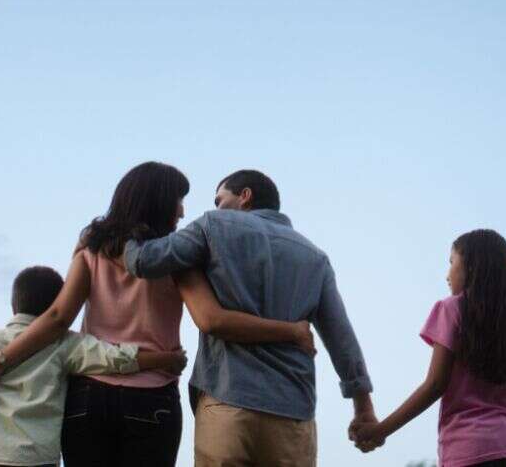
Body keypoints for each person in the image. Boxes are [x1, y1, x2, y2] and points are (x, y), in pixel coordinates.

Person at [0, 162, 313, 467]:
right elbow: (210, 318)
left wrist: (0, 361)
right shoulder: (180, 258)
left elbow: (56, 319)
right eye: (178, 200)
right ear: (159, 203)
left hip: (87, 397)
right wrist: (290, 330)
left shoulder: (92, 248)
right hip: (151, 397)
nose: (182, 211)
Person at [124, 169, 375, 467]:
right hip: (293, 411)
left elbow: (144, 261)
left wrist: (124, 230)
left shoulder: (213, 225)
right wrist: (363, 407)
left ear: (245, 196)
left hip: (228, 400)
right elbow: (341, 338)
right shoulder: (315, 257)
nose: (216, 207)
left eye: (220, 199)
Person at [0, 265, 187, 467]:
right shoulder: (64, 343)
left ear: (13, 306)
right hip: (36, 458)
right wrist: (166, 359)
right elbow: (114, 358)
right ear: (59, 306)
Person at [351, 229, 506, 467]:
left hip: (470, 451)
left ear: (472, 267)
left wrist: (380, 430)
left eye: (451, 262)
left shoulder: (453, 309)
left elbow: (435, 385)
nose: (447, 275)